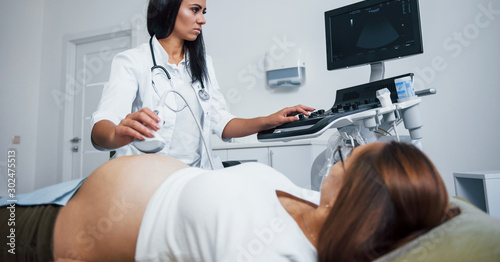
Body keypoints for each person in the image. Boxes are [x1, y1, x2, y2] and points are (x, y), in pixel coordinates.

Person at [0, 141, 458, 261]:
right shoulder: (312, 200)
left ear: (354, 203)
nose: (333, 161)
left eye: (344, 159)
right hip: (65, 196)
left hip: (54, 238)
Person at [90, 0, 313, 168]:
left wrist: (270, 120)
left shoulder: (203, 64)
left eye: (203, 11)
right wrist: (116, 134)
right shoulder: (132, 62)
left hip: (197, 175)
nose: (202, 20)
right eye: (195, 10)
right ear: (169, 8)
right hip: (149, 176)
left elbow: (222, 123)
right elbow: (102, 127)